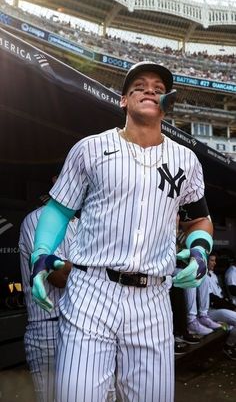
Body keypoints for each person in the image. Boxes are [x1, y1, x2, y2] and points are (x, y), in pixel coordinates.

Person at [30, 61, 213, 402]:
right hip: (91, 290)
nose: (149, 90)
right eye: (139, 86)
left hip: (153, 295)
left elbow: (198, 220)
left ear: (166, 102)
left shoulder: (186, 160)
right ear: (123, 100)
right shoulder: (89, 149)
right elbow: (59, 208)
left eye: (158, 88)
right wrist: (41, 254)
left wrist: (200, 251)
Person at [19, 206, 78, 402]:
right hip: (49, 330)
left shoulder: (82, 224)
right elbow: (59, 276)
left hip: (84, 329)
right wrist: (97, 266)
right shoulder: (38, 218)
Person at [207, 252, 236, 360]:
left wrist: (229, 304)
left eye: (215, 260)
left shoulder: (213, 275)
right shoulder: (203, 277)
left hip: (220, 308)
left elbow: (220, 296)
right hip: (210, 311)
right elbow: (213, 298)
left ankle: (230, 345)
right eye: (211, 260)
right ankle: (228, 346)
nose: (214, 263)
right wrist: (231, 306)